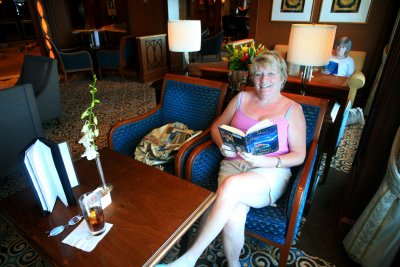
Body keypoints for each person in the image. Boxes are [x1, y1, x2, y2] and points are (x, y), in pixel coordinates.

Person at [159, 51, 307, 267]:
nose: (263, 80)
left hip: (270, 172)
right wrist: (222, 145)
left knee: (230, 187)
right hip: (232, 164)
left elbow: (300, 155)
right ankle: (234, 264)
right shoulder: (241, 98)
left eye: (270, 74)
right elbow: (216, 127)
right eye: (257, 75)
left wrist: (268, 162)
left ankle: (188, 260)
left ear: (282, 77)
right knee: (233, 216)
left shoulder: (292, 110)